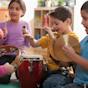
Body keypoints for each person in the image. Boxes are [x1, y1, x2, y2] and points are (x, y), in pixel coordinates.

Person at [24, 6, 80, 88]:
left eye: (56, 24)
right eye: (52, 24)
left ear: (68, 22)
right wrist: (30, 38)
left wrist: (52, 36)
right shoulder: (53, 35)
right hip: (48, 70)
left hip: (62, 72)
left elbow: (61, 54)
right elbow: (35, 44)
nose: (53, 27)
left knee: (49, 84)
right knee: (26, 75)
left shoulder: (73, 38)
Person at [43, 1, 88, 88]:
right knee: (48, 83)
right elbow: (73, 63)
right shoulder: (84, 41)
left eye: (85, 18)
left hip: (84, 84)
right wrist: (64, 59)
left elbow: (77, 58)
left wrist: (73, 56)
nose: (82, 22)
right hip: (77, 80)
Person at [0, 0, 32, 83]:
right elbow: (0, 45)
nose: (13, 11)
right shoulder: (2, 24)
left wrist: (27, 36)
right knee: (3, 79)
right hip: (5, 55)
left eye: (17, 9)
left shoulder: (26, 24)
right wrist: (4, 37)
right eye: (11, 8)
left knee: (23, 78)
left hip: (20, 55)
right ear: (8, 9)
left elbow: (28, 44)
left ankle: (18, 72)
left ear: (22, 12)